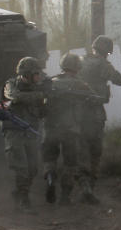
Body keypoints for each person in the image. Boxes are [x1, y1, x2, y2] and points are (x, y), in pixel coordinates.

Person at [42, 53, 98, 205]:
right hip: (71, 131)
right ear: (77, 68)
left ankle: (50, 179)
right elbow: (94, 100)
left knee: (49, 159)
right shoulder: (81, 85)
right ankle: (65, 197)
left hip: (51, 128)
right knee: (70, 164)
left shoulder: (51, 82)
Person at [78, 35, 121, 195]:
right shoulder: (104, 65)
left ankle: (82, 182)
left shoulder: (80, 62)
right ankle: (90, 185)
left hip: (77, 113)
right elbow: (120, 80)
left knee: (81, 148)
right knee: (95, 149)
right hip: (95, 113)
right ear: (107, 52)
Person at [3, 57, 46, 213]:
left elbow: (42, 112)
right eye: (35, 74)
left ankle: (20, 194)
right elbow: (13, 97)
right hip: (14, 132)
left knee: (33, 168)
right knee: (21, 167)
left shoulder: (38, 87)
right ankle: (23, 199)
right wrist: (38, 95)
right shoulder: (11, 84)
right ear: (26, 74)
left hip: (31, 132)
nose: (38, 77)